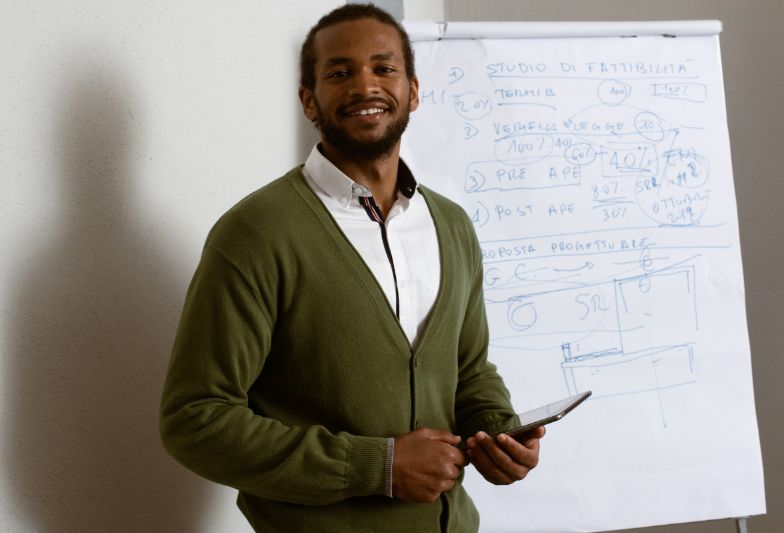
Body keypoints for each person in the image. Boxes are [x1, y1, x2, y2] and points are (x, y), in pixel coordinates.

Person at [160, 4, 545, 532]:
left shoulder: (452, 225)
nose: (365, 86)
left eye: (383, 68)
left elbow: (470, 371)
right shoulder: (256, 232)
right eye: (340, 73)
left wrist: (498, 433)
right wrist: (377, 467)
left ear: (413, 89)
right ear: (307, 100)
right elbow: (195, 421)